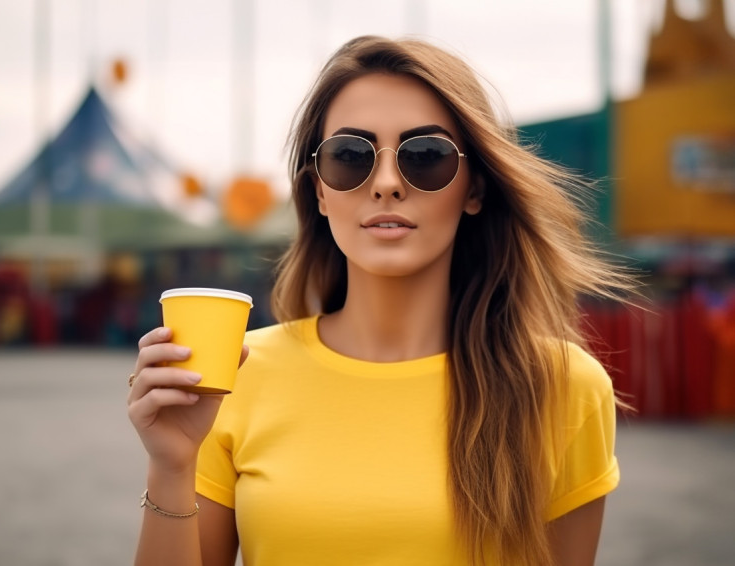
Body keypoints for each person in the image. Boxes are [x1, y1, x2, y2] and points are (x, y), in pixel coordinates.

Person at [127, 35, 633, 566]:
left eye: (426, 155)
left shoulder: (562, 387)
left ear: (476, 189)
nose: (387, 183)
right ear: (319, 190)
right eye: (350, 156)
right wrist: (172, 467)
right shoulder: (236, 375)